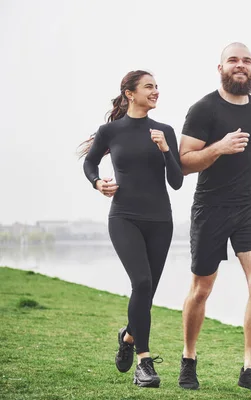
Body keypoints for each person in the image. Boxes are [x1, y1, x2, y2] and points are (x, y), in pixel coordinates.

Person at [177, 42, 251, 395]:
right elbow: (183, 162)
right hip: (210, 208)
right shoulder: (203, 109)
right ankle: (188, 359)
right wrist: (218, 148)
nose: (241, 65)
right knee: (201, 290)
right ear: (220, 67)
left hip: (249, 206)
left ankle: (250, 367)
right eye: (234, 60)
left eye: (247, 61)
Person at [78, 70, 183, 388]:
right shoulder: (110, 131)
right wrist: (98, 183)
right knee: (141, 281)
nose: (155, 91)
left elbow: (176, 182)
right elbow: (90, 163)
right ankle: (144, 363)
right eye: (149, 86)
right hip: (124, 217)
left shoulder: (164, 130)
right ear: (129, 93)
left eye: (157, 87)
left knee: (146, 292)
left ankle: (127, 336)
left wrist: (166, 149)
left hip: (161, 222)